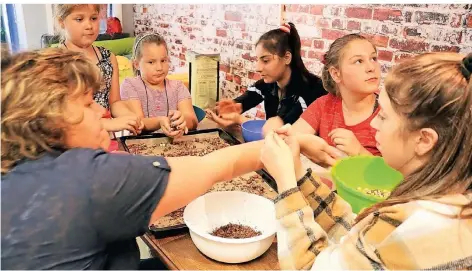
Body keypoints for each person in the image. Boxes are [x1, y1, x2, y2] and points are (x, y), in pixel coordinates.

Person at [0, 48, 338, 269]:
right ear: (50, 119)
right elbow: (215, 165)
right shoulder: (91, 178)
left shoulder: (16, 167)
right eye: (88, 104)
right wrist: (291, 142)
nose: (101, 109)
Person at [260, 52, 472, 270]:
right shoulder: (451, 202)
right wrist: (298, 175)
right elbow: (359, 242)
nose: (374, 125)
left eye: (384, 116)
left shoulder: (414, 225)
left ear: (424, 139)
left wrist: (286, 184)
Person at [207, 22, 326, 134]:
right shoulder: (269, 84)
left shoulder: (311, 91)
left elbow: (280, 130)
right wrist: (236, 105)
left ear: (287, 57)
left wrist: (239, 120)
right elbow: (251, 96)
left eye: (265, 60)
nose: (258, 68)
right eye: (257, 60)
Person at [286, 34, 382, 156]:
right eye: (359, 61)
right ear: (336, 74)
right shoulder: (324, 105)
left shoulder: (391, 113)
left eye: (373, 58)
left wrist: (360, 152)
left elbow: (400, 174)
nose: (371, 67)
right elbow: (288, 141)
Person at [55, 4, 143, 135]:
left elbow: (115, 102)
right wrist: (108, 123)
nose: (89, 26)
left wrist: (130, 117)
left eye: (94, 18)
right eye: (79, 19)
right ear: (61, 22)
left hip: (105, 138)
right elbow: (62, 115)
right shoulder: (54, 61)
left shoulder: (108, 58)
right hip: (72, 141)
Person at [120, 33, 198, 137]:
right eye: (151, 62)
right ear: (137, 64)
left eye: (163, 60)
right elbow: (138, 123)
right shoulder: (130, 85)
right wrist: (160, 121)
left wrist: (183, 120)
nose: (159, 67)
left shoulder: (178, 86)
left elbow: (193, 120)